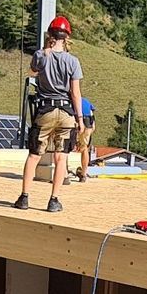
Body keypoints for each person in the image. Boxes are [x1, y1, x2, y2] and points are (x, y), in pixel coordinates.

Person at [15, 14, 85, 212]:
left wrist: (46, 50)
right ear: (67, 37)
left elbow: (32, 72)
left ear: (51, 34)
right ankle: (54, 200)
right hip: (66, 112)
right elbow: (76, 93)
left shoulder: (41, 55)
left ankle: (24, 197)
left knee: (34, 155)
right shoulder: (73, 61)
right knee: (61, 157)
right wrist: (79, 119)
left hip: (45, 109)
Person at [76, 97, 97, 181]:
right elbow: (92, 114)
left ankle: (64, 174)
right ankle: (83, 175)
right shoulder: (85, 101)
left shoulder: (69, 99)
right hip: (88, 123)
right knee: (84, 148)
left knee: (65, 149)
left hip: (76, 120)